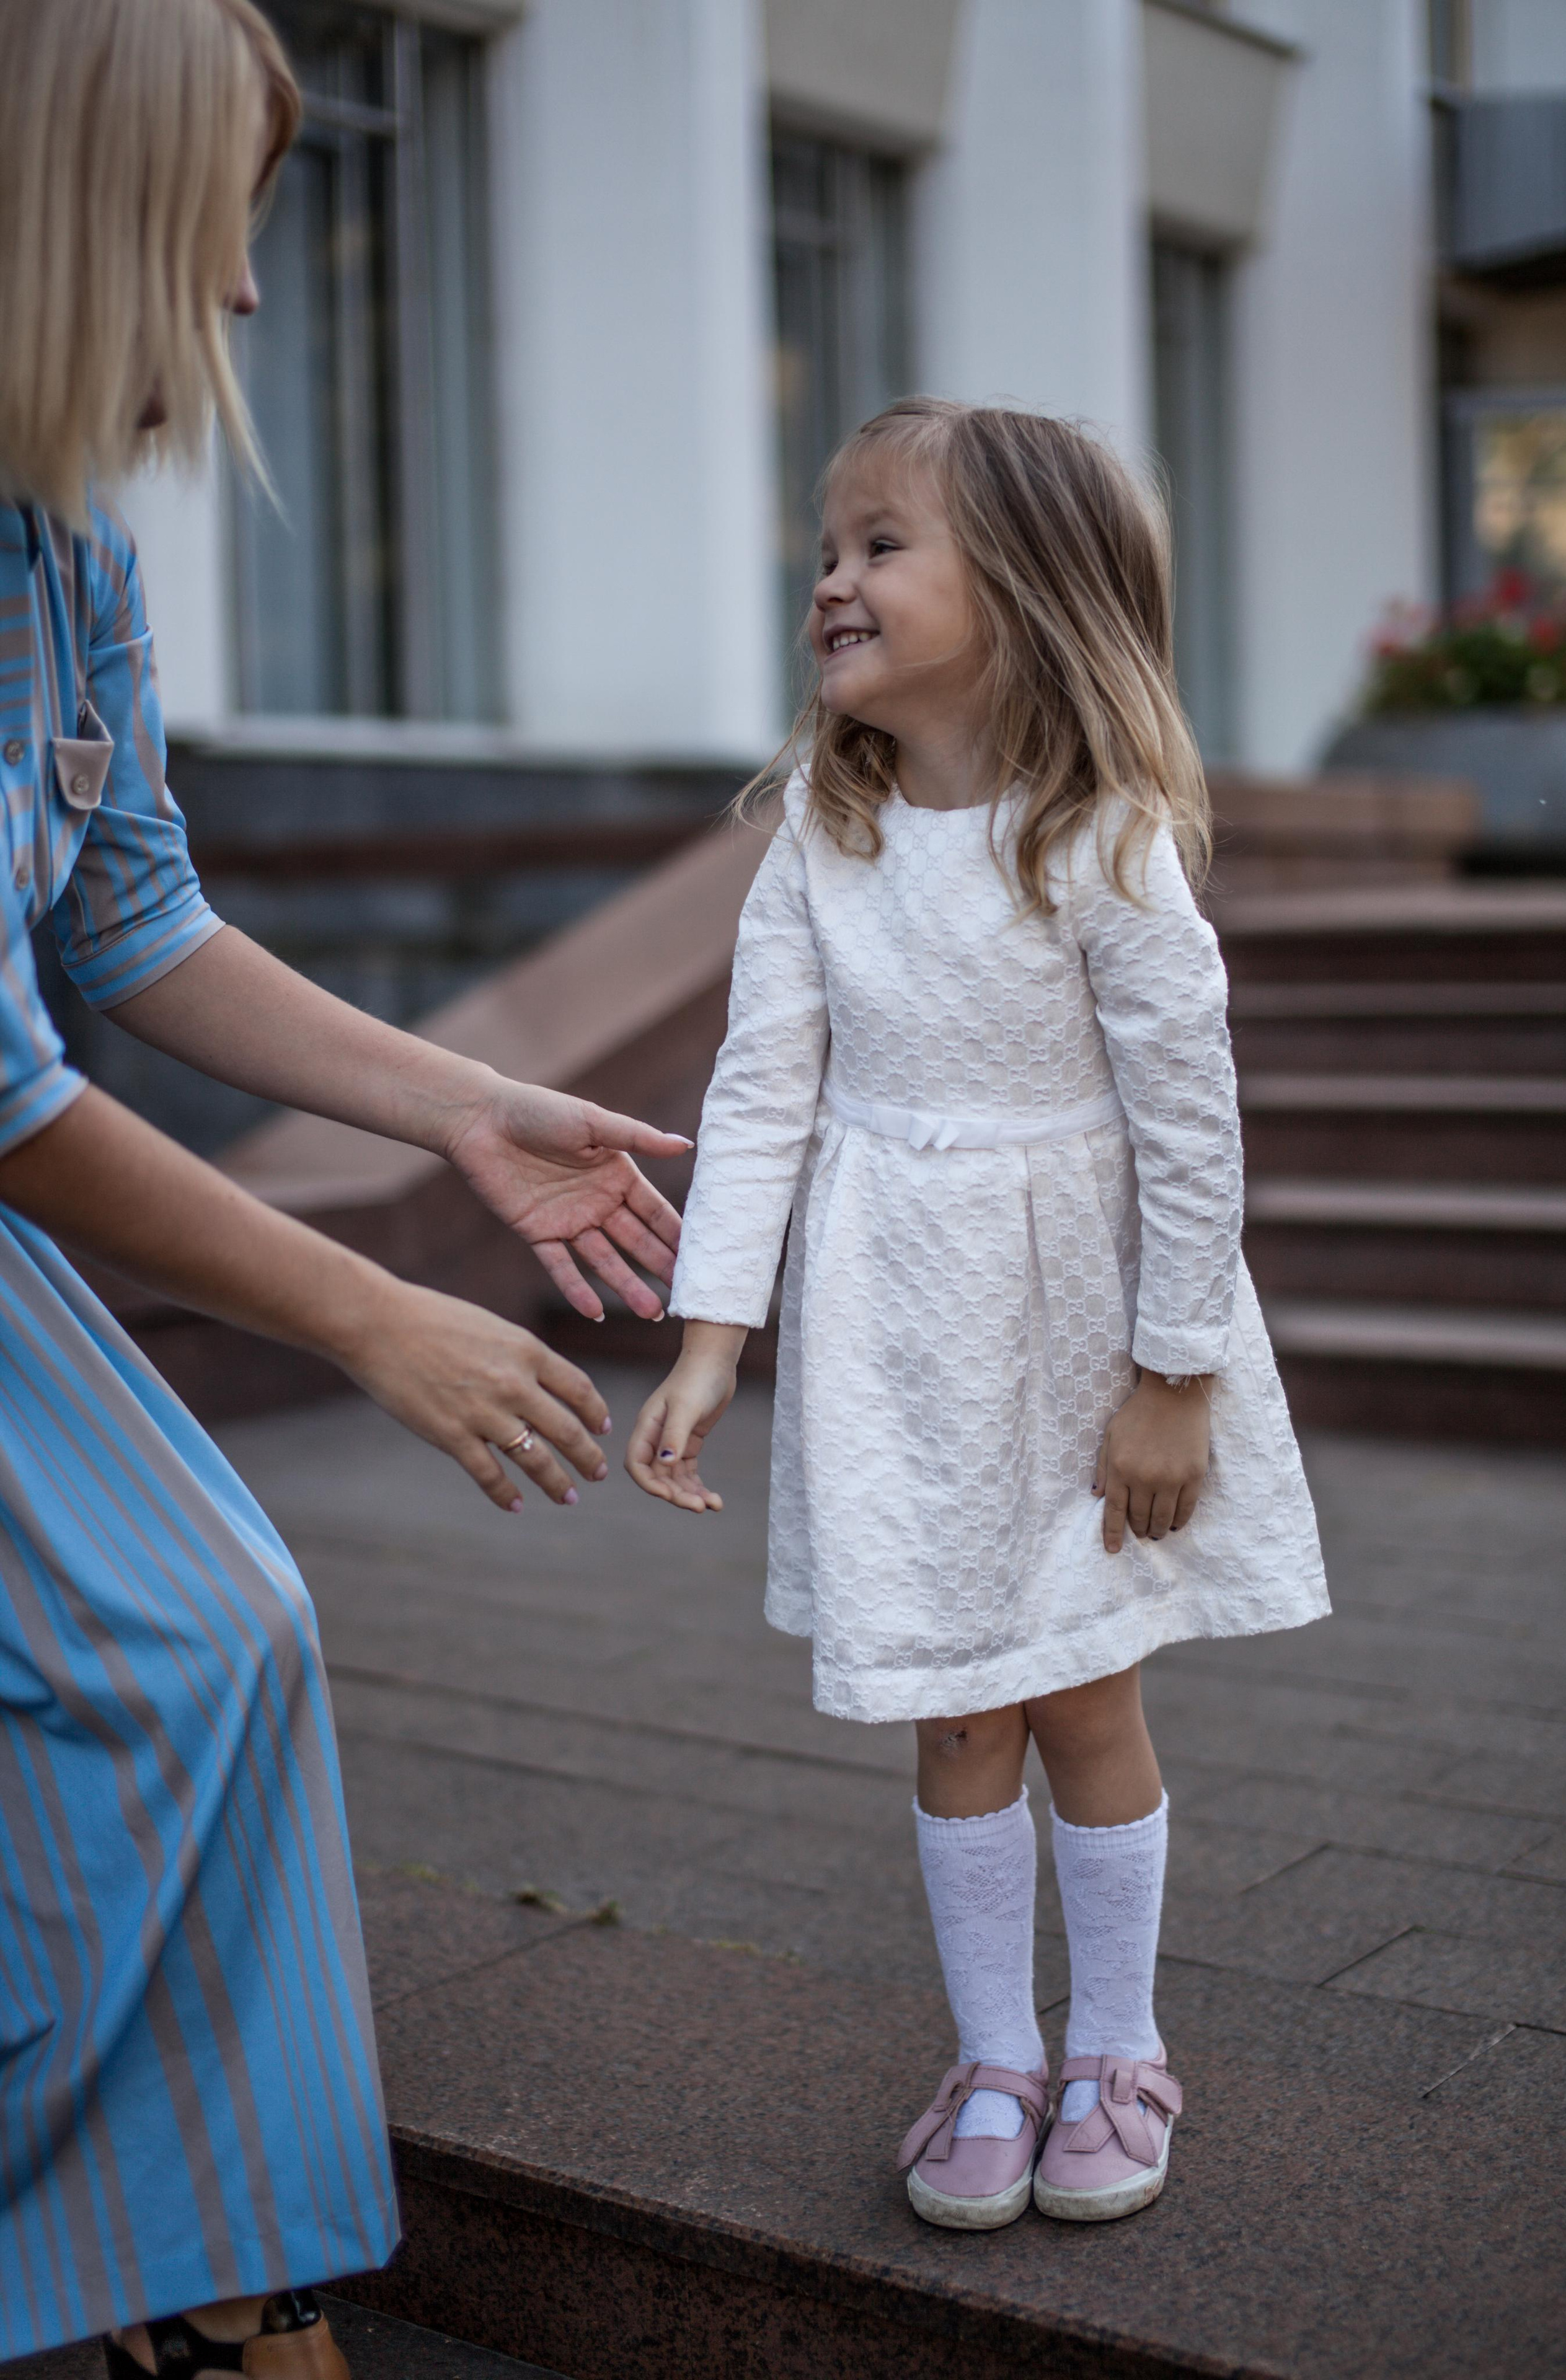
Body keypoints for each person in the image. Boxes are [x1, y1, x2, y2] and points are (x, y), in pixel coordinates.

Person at [0, 1, 688, 2368]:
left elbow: (125, 921)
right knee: (185, 1637)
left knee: (201, 1641)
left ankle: (208, 2290)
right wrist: (367, 1313)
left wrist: (462, 1110)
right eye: (234, 221)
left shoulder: (63, 537)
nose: (265, 297)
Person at [627, 398, 1329, 2232]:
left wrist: (1174, 1376)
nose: (831, 579)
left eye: (879, 546)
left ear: (1019, 592)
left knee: (1086, 1684)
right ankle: (993, 2054)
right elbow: (763, 1087)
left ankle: (1117, 2038)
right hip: (898, 1333)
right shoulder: (817, 837)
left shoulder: (1102, 839)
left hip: (1086, 1333)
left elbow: (1193, 1127)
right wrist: (712, 1337)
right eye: (830, 546)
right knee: (950, 1705)